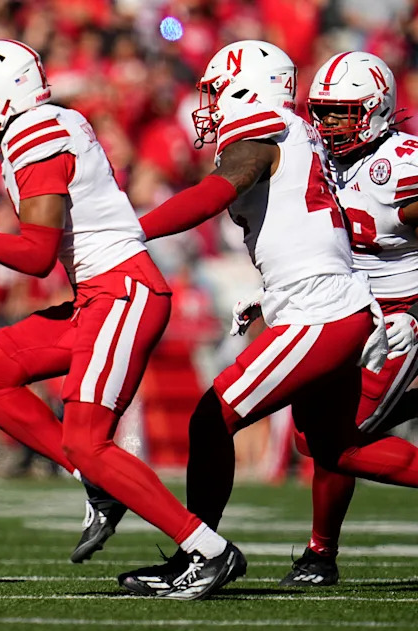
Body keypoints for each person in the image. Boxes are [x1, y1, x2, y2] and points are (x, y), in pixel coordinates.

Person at [0, 39, 242, 600]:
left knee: (87, 439)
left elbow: (35, 255)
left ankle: (209, 550)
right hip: (98, 294)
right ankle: (96, 483)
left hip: (122, 291)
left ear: (1, 98)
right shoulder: (48, 124)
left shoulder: (35, 133)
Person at [122, 40, 418, 596]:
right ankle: (238, 550)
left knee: (213, 419)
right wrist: (272, 294)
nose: (207, 104)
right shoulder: (310, 140)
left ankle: (201, 552)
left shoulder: (271, 130)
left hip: (331, 312)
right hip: (335, 302)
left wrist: (134, 229)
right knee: (335, 448)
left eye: (214, 90)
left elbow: (217, 191)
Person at [277, 52, 418, 586]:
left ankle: (320, 555)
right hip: (340, 312)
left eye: (342, 112)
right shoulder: (319, 156)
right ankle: (319, 555)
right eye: (324, 111)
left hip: (397, 317)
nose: (329, 124)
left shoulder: (401, 165)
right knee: (312, 439)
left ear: (378, 109)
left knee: (338, 440)